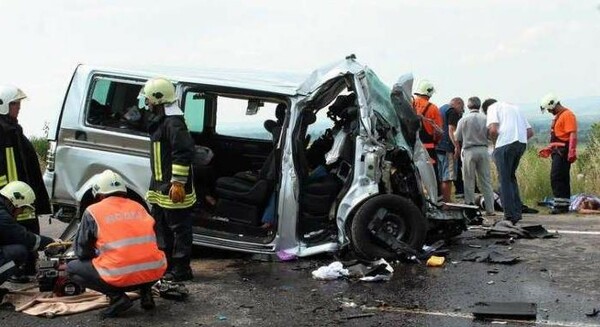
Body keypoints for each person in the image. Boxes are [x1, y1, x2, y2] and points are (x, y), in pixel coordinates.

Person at [67, 170, 167, 318]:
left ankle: (118, 298)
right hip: (153, 272)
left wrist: (96, 254)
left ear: (99, 195)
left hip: (120, 278)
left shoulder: (93, 211)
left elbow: (81, 251)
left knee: (72, 268)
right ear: (123, 192)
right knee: (143, 256)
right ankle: (146, 294)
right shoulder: (139, 207)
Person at [140, 78, 196, 281]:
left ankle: (181, 269)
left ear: (157, 98)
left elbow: (183, 152)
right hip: (159, 186)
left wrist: (178, 182)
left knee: (179, 229)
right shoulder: (160, 119)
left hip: (174, 187)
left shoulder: (174, 123)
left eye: (148, 98)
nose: (146, 101)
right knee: (161, 228)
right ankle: (167, 266)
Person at [0, 85, 52, 282]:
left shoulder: (13, 129)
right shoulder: (2, 131)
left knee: (29, 227)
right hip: (10, 197)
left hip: (20, 195)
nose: (18, 107)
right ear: (4, 106)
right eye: (14, 104)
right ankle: (16, 269)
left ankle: (29, 264)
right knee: (15, 235)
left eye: (19, 103)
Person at [484, 99, 533, 224]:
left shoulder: (492, 108)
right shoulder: (515, 107)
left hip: (504, 144)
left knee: (504, 179)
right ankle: (517, 211)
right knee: (511, 178)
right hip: (521, 144)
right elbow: (530, 132)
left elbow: (493, 130)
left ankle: (509, 215)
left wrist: (495, 145)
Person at [0, 181, 55, 288]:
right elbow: (22, 237)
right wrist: (51, 243)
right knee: (19, 252)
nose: (21, 212)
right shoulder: (2, 216)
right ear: (14, 203)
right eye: (22, 208)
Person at [538, 93, 578, 214]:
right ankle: (563, 204)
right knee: (560, 177)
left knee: (558, 177)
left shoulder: (568, 115)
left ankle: (561, 206)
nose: (549, 111)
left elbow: (572, 134)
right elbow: (558, 138)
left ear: (553, 104)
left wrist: (571, 151)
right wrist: (549, 149)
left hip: (563, 152)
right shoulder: (559, 116)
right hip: (557, 151)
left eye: (549, 109)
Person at [454, 97, 495, 215]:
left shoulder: (463, 119)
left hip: (469, 150)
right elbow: (489, 135)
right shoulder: (485, 118)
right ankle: (490, 209)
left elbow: (458, 137)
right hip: (483, 149)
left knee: (468, 180)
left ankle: (470, 208)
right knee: (486, 181)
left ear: (468, 106)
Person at [412, 80, 443, 187]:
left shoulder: (410, 104)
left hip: (411, 149)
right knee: (432, 175)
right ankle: (436, 201)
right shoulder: (433, 108)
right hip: (429, 150)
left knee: (414, 176)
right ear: (429, 93)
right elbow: (438, 132)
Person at [436, 97, 464, 203]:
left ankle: (440, 200)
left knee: (440, 175)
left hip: (438, 147)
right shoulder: (452, 111)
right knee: (448, 176)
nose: (461, 111)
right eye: (462, 108)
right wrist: (456, 146)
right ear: (458, 103)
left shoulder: (440, 109)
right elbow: (451, 130)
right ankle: (447, 202)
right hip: (448, 148)